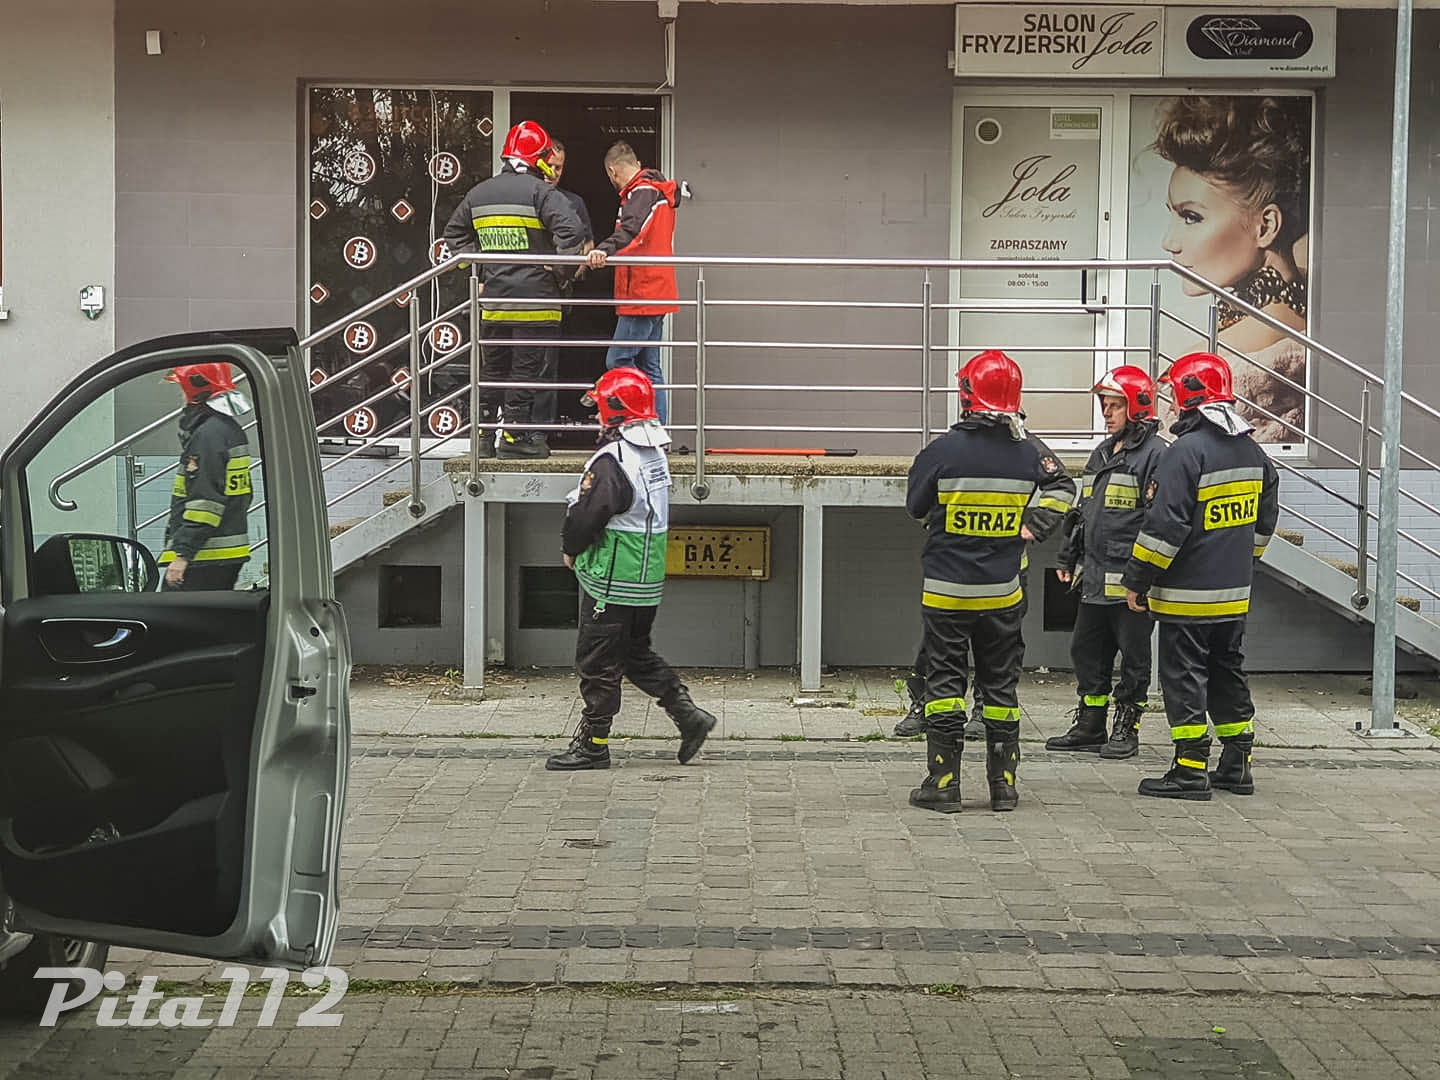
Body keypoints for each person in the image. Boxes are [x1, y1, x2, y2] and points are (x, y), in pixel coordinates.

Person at [905, 350, 1076, 813]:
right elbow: (1065, 487)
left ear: (966, 395)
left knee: (944, 682)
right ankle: (1004, 787)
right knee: (1000, 687)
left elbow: (916, 507)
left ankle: (942, 784)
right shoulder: (1029, 451)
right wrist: (1034, 525)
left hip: (946, 591)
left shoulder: (940, 452)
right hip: (1003, 592)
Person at [1121, 351, 1279, 800]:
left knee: (1184, 675)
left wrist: (1137, 580)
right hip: (1234, 596)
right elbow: (1265, 523)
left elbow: (1164, 529)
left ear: (1191, 397)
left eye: (1172, 394)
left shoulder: (1185, 454)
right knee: (1227, 669)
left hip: (1187, 595)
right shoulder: (1253, 451)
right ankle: (1236, 763)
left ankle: (1190, 770)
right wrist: (1242, 565)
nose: (1169, 405)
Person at [547, 367, 717, 771]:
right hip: (645, 577)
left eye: (600, 409)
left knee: (598, 663)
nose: (595, 417)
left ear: (614, 411)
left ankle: (593, 745)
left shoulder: (612, 461)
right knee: (634, 652)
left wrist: (570, 548)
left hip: (612, 576)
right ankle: (688, 715)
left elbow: (588, 515)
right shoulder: (654, 454)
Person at [1153, 96, 1311, 443]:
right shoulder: (1293, 312)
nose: (1169, 241)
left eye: (1191, 217)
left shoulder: (1232, 355)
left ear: (1265, 226)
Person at [442, 119, 586, 460]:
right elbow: (573, 233)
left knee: (492, 371)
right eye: (547, 159)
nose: (550, 166)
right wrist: (560, 273)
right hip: (536, 303)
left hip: (493, 301)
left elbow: (454, 239)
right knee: (526, 371)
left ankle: (482, 439)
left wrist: (485, 264)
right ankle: (514, 437)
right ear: (537, 158)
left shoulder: (479, 194)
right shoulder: (542, 193)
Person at [1049, 366, 1167, 759]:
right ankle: (1090, 724)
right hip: (1094, 579)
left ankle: (1127, 726)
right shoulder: (1102, 453)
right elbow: (1082, 512)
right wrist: (1067, 554)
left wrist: (1142, 577)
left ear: (1137, 408)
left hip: (1131, 584)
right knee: (1086, 651)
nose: (1108, 413)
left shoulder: (1154, 456)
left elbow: (1156, 522)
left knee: (1133, 658)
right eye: (1105, 405)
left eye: (1116, 406)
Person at [584, 141, 681, 424]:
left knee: (618, 360)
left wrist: (602, 250)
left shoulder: (641, 192)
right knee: (650, 365)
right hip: (657, 290)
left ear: (613, 171)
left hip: (641, 291)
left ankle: (633, 423)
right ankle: (656, 429)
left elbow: (630, 230)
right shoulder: (657, 191)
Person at [158, 363, 254, 592]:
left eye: (182, 389)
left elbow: (205, 504)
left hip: (205, 556)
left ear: (195, 392)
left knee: (171, 621)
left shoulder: (207, 436)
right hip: (223, 555)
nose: (180, 396)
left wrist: (182, 556)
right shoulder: (228, 430)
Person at [534, 138, 596, 436]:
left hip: (556, 295)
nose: (554, 172)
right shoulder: (523, 198)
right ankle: (510, 432)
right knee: (512, 368)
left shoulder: (573, 202)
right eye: (550, 165)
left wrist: (566, 271)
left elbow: (588, 248)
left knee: (547, 366)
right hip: (517, 294)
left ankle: (540, 435)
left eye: (560, 167)